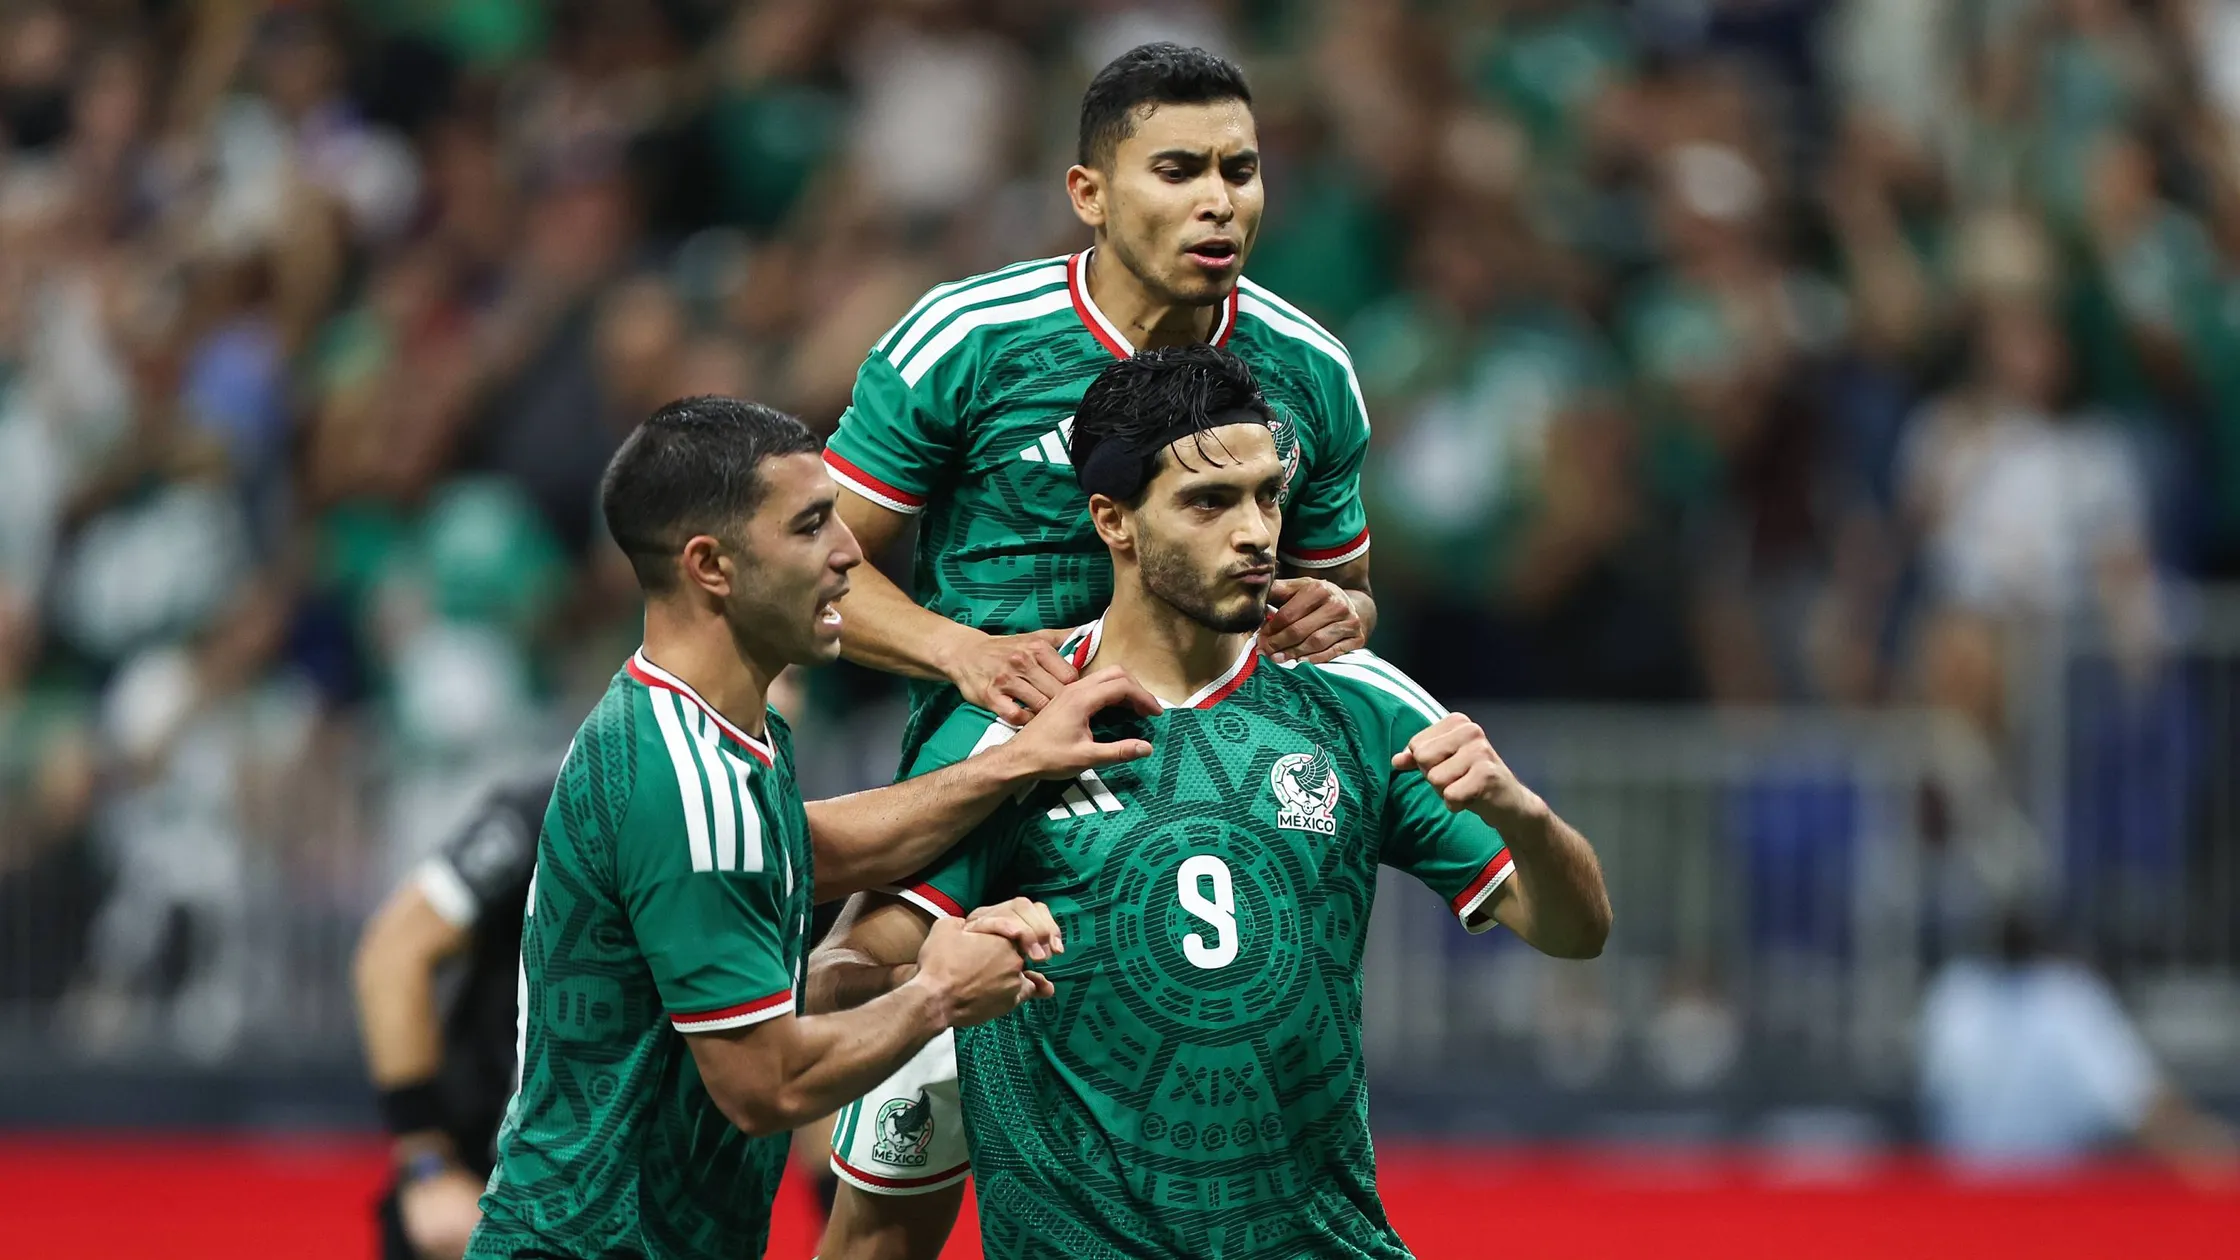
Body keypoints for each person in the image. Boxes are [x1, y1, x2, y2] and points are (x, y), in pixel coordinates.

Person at [810, 347, 1611, 1259]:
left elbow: (1578, 929)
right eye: (1208, 502)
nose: (1257, 533)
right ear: (1113, 520)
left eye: (1267, 495)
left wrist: (1525, 818)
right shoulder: (1019, 726)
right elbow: (838, 975)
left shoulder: (1357, 701)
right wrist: (929, 986)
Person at [818, 43, 1384, 1252]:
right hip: (982, 843)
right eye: (1176, 169)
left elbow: (1339, 600)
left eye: (1239, 168)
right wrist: (958, 653)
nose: (1216, 199)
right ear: (1088, 192)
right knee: (880, 1222)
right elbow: (808, 571)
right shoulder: (965, 339)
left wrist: (1349, 613)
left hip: (1205, 828)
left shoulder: (1309, 371)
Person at [464, 396, 1161, 1260]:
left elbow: (804, 851)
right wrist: (937, 992)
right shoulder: (685, 784)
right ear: (710, 566)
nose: (847, 555)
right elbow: (768, 1084)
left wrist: (1012, 763)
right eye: (810, 527)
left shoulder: (706, 727)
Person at [355, 775, 552, 1260]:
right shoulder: (551, 809)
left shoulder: (744, 832)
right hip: (481, 1184)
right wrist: (427, 1166)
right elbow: (395, 950)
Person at [1919, 906, 2238, 1182]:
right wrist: (2215, 1154)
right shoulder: (2064, 999)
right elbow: (2146, 1107)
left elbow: (2147, 1108)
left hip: (1988, 1205)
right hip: (2028, 1212)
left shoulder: (1956, 994)